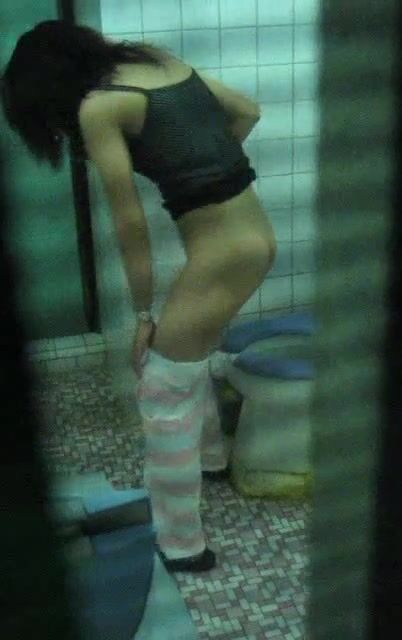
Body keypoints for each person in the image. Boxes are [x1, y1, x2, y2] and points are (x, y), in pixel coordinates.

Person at [1, 20, 277, 572]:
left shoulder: (99, 107)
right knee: (187, 359)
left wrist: (143, 314)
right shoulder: (152, 60)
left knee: (161, 386)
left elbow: (129, 224)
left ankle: (182, 547)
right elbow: (247, 111)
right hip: (255, 240)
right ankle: (211, 459)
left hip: (222, 257)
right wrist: (203, 172)